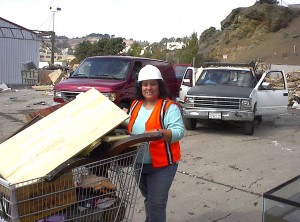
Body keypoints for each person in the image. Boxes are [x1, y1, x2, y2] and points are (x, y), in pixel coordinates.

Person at [124, 64, 185, 222]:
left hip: (162, 165)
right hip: (139, 163)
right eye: (145, 84)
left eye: (153, 84)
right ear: (140, 86)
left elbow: (179, 131)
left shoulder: (168, 107)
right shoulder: (135, 104)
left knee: (156, 203)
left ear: (159, 85)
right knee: (149, 199)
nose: (148, 88)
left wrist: (160, 133)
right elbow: (129, 124)